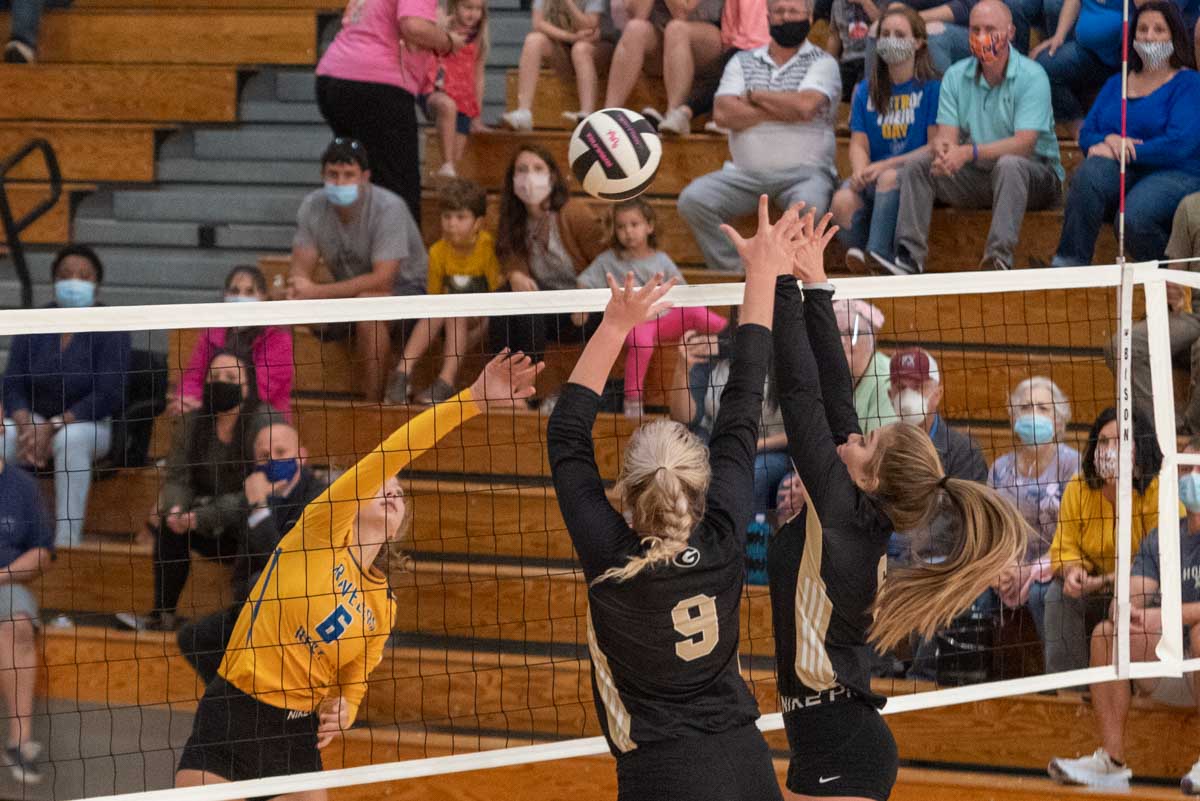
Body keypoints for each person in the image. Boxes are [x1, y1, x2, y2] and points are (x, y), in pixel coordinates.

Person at [175, 353, 541, 795]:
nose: (391, 491)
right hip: (235, 715)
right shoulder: (320, 530)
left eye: (399, 494)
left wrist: (346, 706)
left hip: (295, 734)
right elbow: (392, 453)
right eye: (382, 486)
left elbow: (358, 671)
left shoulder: (381, 604)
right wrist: (473, 400)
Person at [768, 210, 1028, 801]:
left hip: (841, 748)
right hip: (831, 743)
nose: (854, 438)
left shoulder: (841, 517)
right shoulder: (857, 505)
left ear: (871, 478)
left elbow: (801, 392)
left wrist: (779, 281)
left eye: (866, 442)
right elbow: (835, 394)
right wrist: (817, 285)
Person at [545, 195, 798, 801]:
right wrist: (763, 274)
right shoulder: (722, 531)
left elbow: (565, 433)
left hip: (663, 774)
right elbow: (743, 402)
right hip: (747, 760)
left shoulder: (612, 558)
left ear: (625, 493)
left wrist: (615, 325)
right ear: (700, 484)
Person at [1047, 438, 1200, 792]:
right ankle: (1111, 762)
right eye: (1185, 469)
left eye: (1199, 469)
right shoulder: (1164, 537)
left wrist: (1164, 617)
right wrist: (1126, 608)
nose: (1192, 476)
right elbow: (1137, 588)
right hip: (1175, 668)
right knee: (1107, 634)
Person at [881, 0, 1063, 274]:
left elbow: (1024, 145)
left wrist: (968, 152)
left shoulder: (1032, 75)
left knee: (1010, 164)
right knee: (918, 166)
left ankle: (998, 260)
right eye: (975, 29)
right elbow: (948, 138)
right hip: (979, 176)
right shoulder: (955, 75)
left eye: (990, 29)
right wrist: (944, 152)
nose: (981, 36)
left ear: (1011, 32)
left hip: (1036, 176)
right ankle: (909, 258)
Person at [677, 0, 841, 272]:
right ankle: (739, 272)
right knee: (693, 200)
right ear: (767, 18)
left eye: (793, 11)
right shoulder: (742, 61)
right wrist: (786, 108)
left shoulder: (823, 63)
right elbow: (723, 113)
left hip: (805, 174)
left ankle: (787, 278)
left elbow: (805, 106)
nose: (786, 17)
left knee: (810, 206)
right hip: (744, 175)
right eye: (779, 12)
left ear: (810, 18)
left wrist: (755, 96)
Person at [117, 351, 274, 633]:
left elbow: (257, 493)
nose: (221, 382)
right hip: (204, 519)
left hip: (247, 522)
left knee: (257, 529)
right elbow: (178, 477)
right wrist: (177, 509)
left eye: (230, 377)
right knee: (169, 525)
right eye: (214, 376)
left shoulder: (265, 424)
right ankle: (162, 616)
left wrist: (201, 516)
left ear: (247, 386)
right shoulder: (192, 422)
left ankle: (247, 623)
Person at [1049, 1, 1200, 267]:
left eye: (1159, 30)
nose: (1149, 37)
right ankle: (1068, 264)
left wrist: (1127, 151)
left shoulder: (1189, 83)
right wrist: (1108, 140)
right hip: (1125, 169)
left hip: (1175, 173)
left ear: (1174, 37)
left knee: (1131, 219)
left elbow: (1179, 145)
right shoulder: (1117, 83)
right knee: (1088, 174)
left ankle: (1171, 274)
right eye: (1142, 29)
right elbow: (1088, 133)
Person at [176, 423, 328, 686]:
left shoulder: (318, 500)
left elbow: (283, 564)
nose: (272, 461)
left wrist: (258, 507)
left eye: (281, 452)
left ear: (302, 456)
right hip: (256, 605)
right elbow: (243, 565)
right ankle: (231, 696)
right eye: (264, 456)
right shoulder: (256, 492)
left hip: (299, 609)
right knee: (194, 637)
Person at [2, 245, 131, 548]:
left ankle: (66, 542)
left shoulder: (112, 326)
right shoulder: (35, 321)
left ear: (97, 285)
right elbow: (12, 384)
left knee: (70, 441)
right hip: (33, 422)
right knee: (2, 436)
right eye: (66, 275)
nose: (74, 282)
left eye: (84, 276)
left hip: (89, 424)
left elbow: (109, 393)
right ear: (54, 281)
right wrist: (27, 424)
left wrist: (54, 425)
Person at [289, 139, 428, 403]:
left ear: (365, 177)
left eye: (348, 175)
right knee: (282, 305)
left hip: (407, 292)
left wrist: (316, 291)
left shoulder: (389, 207)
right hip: (351, 295)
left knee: (369, 312)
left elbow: (383, 280)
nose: (340, 182)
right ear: (322, 175)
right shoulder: (312, 206)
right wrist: (300, 292)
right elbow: (299, 274)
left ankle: (373, 406)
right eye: (333, 174)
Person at [573, 198, 728, 418]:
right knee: (641, 343)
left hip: (665, 318)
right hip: (635, 322)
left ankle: (731, 337)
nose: (628, 232)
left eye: (634, 224)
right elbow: (584, 281)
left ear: (649, 226)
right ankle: (633, 401)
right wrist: (581, 309)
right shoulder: (607, 261)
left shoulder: (661, 260)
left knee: (696, 311)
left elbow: (682, 290)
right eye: (621, 226)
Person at [1045, 406, 1169, 673]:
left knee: (1141, 598)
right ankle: (1069, 686)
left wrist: (1105, 581)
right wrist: (1073, 571)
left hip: (1144, 587)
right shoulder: (1078, 487)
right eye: (1103, 441)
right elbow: (1064, 546)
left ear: (1140, 449)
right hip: (1093, 586)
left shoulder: (1157, 489)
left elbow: (1162, 560)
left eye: (1120, 442)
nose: (1109, 450)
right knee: (1057, 594)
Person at [314, 0, 462, 223]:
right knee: (398, 192)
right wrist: (448, 41)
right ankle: (398, 244)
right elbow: (413, 26)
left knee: (360, 182)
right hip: (375, 83)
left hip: (333, 77)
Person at [488, 145, 608, 387]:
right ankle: (502, 385)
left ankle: (524, 387)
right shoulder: (512, 218)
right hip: (544, 308)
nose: (529, 176)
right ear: (512, 178)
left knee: (530, 306)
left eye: (537, 168)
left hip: (584, 310)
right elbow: (509, 257)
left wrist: (586, 295)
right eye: (522, 170)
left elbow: (607, 260)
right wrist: (514, 273)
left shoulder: (574, 213)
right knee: (506, 298)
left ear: (552, 176)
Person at [832, 4, 941, 272]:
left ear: (918, 42)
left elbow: (933, 147)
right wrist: (860, 170)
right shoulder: (864, 90)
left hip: (913, 177)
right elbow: (859, 142)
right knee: (841, 201)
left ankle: (879, 253)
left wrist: (885, 165)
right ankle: (868, 260)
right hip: (875, 174)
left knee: (888, 177)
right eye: (885, 34)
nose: (891, 40)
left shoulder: (932, 88)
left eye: (900, 35)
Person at [389, 179, 501, 405]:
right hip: (451, 318)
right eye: (447, 217)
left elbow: (497, 298)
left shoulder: (488, 248)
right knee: (445, 307)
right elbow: (434, 298)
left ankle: (446, 382)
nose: (451, 224)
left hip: (484, 319)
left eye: (460, 217)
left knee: (453, 308)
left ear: (478, 222)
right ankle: (401, 374)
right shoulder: (437, 252)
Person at [989, 377, 1080, 640]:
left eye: (1043, 408)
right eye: (1026, 407)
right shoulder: (999, 469)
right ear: (1014, 418)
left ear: (1059, 421)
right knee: (972, 592)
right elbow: (990, 531)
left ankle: (1056, 666)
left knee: (1044, 594)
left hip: (1058, 564)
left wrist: (1030, 570)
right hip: (1007, 567)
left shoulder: (1072, 465)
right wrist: (1001, 566)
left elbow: (1075, 533)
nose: (1033, 414)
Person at [666, 320, 787, 513]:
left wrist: (753, 446)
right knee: (691, 464)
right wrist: (682, 369)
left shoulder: (787, 353)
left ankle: (751, 530)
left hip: (770, 450)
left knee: (753, 472)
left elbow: (801, 434)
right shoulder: (711, 351)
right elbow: (685, 419)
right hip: (717, 444)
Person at [1116, 192, 1200, 435]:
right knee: (1126, 344)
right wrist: (1173, 292)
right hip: (1193, 315)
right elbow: (1175, 277)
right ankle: (1163, 433)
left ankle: (1195, 434)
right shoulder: (1191, 207)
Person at [0, 400, 52, 785]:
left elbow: (42, 553)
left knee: (17, 624)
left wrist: (2, 574)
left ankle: (19, 741)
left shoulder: (22, 486)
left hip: (6, 582)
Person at [172, 265, 294, 419]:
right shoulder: (211, 333)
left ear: (263, 297)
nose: (240, 297)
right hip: (213, 411)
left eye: (249, 292)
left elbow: (260, 390)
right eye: (235, 291)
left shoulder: (278, 338)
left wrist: (203, 403)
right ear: (225, 295)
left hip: (261, 417)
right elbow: (193, 377)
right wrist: (187, 399)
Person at [604, 0, 727, 136]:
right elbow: (639, 15)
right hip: (664, 39)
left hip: (709, 39)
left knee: (676, 29)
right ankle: (608, 114)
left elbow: (681, 12)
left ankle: (675, 114)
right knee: (635, 28)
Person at [502, 0, 615, 130]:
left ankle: (586, 113)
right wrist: (570, 37)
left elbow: (589, 26)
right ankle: (523, 112)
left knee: (580, 49)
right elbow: (538, 23)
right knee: (533, 40)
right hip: (565, 45)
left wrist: (568, 3)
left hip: (597, 46)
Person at [664, 0, 770, 137]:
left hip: (767, 47)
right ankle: (683, 113)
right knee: (726, 69)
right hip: (740, 45)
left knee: (738, 67)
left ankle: (687, 112)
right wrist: (729, 43)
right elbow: (731, 16)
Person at [422, 0, 489, 179]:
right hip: (434, 91)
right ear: (454, 6)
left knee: (455, 162)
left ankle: (447, 172)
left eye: (478, 9)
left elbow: (478, 78)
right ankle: (447, 164)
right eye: (468, 7)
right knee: (447, 106)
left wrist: (476, 115)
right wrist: (439, 28)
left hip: (463, 101)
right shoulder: (442, 28)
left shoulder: (477, 39)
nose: (473, 14)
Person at [833, 298, 897, 433]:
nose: (841, 341)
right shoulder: (823, 372)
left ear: (871, 339)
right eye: (834, 333)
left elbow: (880, 443)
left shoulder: (886, 378)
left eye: (851, 333)